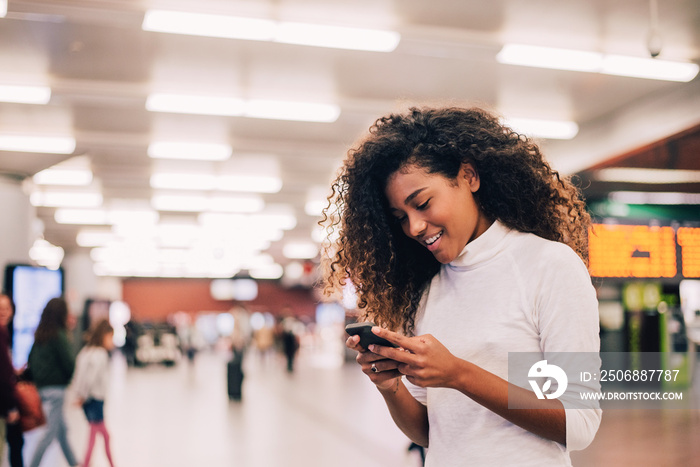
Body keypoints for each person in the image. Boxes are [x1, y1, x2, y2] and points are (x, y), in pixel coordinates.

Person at [323, 107, 601, 466]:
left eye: (422, 203)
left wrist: (458, 373)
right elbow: (429, 432)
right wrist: (389, 385)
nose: (414, 227)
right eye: (401, 218)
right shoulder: (427, 290)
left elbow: (579, 425)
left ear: (468, 176)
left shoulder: (549, 266)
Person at [27, 297, 80, 467]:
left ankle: (75, 463)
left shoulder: (40, 335)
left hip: (42, 389)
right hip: (57, 390)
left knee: (61, 431)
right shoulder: (60, 335)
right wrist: (67, 379)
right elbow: (70, 364)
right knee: (49, 434)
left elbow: (30, 360)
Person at [72, 319, 116, 467]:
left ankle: (89, 463)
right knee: (101, 434)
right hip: (95, 400)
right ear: (104, 336)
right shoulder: (100, 354)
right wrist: (83, 396)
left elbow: (79, 374)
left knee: (96, 433)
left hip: (89, 399)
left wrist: (79, 394)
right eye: (111, 337)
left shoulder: (86, 351)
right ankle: (89, 463)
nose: (112, 342)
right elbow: (89, 378)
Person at [0, 293, 21, 467]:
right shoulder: (1, 334)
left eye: (7, 308)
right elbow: (3, 376)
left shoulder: (5, 332)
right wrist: (10, 407)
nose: (3, 312)